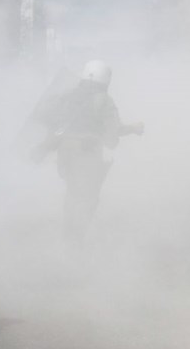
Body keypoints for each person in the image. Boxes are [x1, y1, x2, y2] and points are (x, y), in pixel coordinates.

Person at [35, 60, 142, 242]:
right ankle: (76, 239)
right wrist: (133, 128)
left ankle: (68, 235)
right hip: (87, 151)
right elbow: (113, 131)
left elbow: (49, 120)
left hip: (65, 151)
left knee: (72, 192)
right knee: (88, 197)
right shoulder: (104, 100)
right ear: (106, 79)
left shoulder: (67, 95)